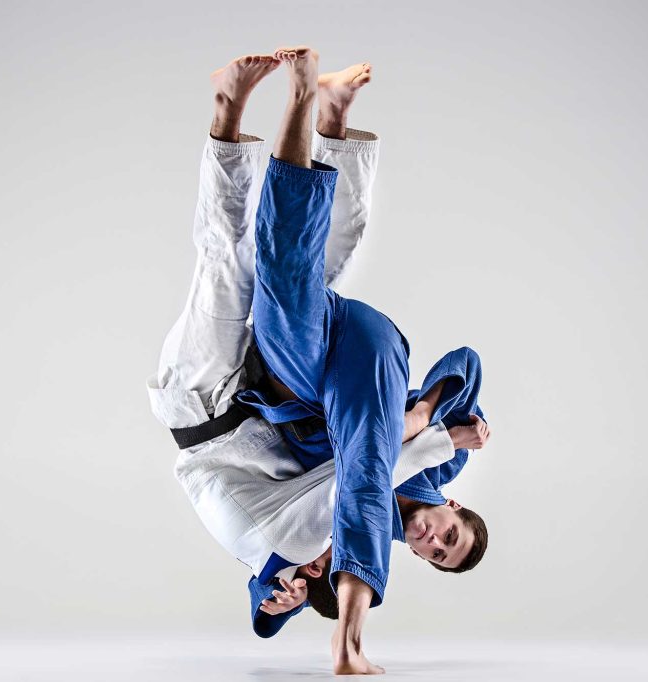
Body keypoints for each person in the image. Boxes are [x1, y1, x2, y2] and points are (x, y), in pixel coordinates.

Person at [146, 50, 490, 674]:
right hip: (294, 377)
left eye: (436, 555)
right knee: (323, 253)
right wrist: (437, 411)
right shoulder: (449, 461)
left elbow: (272, 570)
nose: (431, 539)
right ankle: (331, 113)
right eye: (449, 534)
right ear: (455, 508)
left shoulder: (341, 536)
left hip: (207, 399)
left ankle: (231, 110)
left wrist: (283, 599)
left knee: (230, 261)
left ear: (418, 561)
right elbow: (465, 366)